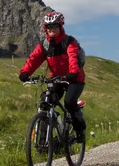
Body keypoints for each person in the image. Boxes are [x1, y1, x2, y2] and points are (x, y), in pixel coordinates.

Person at [19, 11, 86, 143]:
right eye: (48, 27)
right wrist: (25, 72)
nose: (51, 29)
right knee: (45, 102)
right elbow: (34, 59)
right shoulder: (45, 45)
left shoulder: (69, 41)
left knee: (69, 102)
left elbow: (73, 57)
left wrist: (72, 72)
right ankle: (43, 141)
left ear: (60, 26)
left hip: (75, 79)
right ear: (45, 29)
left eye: (55, 26)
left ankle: (80, 131)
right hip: (56, 79)